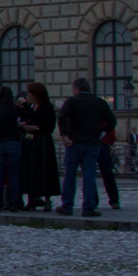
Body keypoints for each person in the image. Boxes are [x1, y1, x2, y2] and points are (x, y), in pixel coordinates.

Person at [55, 77, 115, 218]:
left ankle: (67, 206)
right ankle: (88, 207)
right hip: (92, 143)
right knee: (89, 175)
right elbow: (112, 121)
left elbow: (61, 117)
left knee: (70, 175)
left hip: (74, 142)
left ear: (77, 89)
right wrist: (100, 132)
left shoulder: (72, 102)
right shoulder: (100, 103)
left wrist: (64, 135)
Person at [18, 82, 60, 210]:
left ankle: (47, 199)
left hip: (43, 142)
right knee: (31, 169)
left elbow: (48, 125)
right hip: (31, 142)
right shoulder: (32, 105)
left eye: (30, 94)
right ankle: (32, 199)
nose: (28, 96)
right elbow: (30, 116)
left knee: (45, 169)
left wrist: (36, 128)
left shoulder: (47, 107)